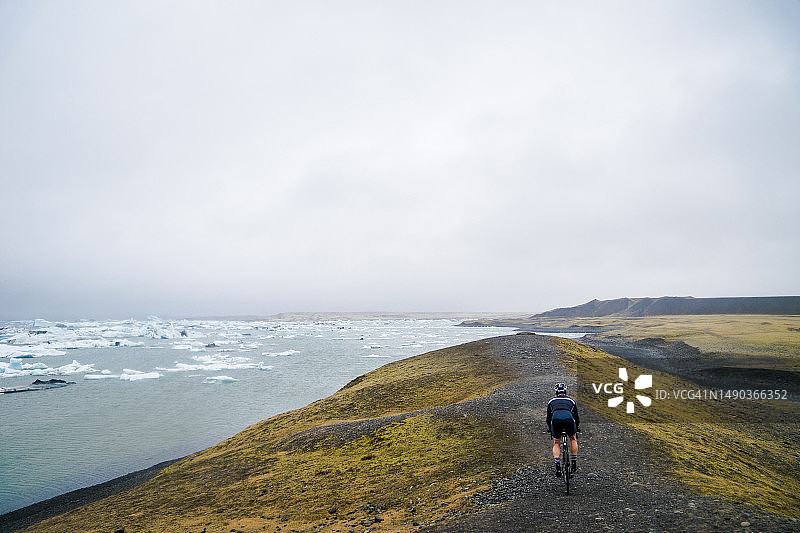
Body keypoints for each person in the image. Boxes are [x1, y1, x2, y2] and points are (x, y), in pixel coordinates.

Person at [546, 382, 580, 477]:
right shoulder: (571, 401)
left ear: (556, 392)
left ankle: (558, 467)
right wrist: (576, 429)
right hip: (569, 420)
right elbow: (576, 418)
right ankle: (573, 464)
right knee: (573, 438)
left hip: (556, 421)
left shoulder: (551, 402)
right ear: (565, 391)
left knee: (556, 442)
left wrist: (550, 429)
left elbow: (548, 418)